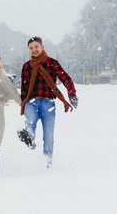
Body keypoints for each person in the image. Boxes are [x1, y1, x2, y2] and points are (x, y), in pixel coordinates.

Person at [18, 36, 79, 168]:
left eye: (36, 47)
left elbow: (65, 78)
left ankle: (48, 162)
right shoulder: (26, 66)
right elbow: (24, 87)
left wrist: (71, 93)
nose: (34, 50)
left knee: (48, 135)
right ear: (29, 50)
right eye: (31, 48)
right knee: (30, 120)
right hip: (31, 102)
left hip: (48, 104)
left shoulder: (52, 63)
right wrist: (23, 103)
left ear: (42, 47)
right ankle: (29, 138)